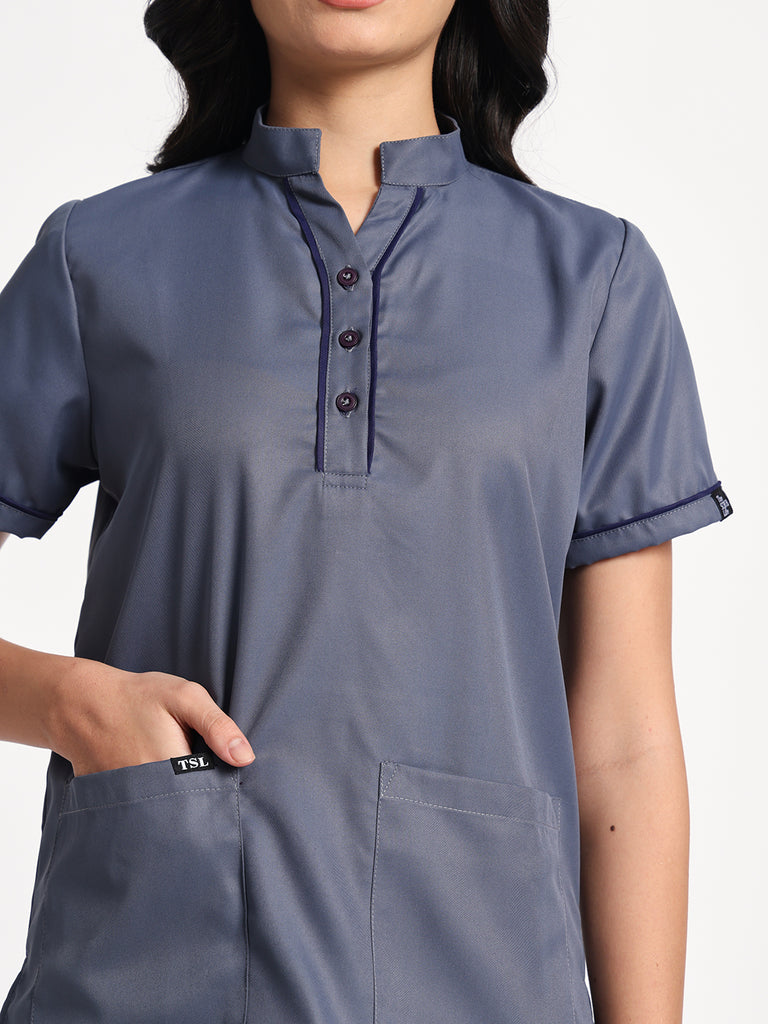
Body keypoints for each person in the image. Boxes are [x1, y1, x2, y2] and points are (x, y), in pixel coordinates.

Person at [0, 1, 733, 1022]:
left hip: (486, 986)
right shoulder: (98, 258)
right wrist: (65, 703)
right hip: (151, 976)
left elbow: (626, 739)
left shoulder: (595, 281)